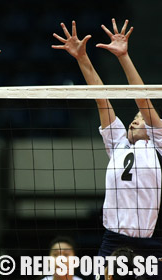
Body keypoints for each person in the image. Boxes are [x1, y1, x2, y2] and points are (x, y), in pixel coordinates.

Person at [52, 19, 162, 279]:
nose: (137, 119)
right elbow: (101, 98)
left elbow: (142, 97)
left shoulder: (159, 144)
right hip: (113, 239)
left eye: (142, 118)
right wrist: (81, 57)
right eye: (134, 117)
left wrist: (124, 56)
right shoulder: (118, 143)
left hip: (152, 243)